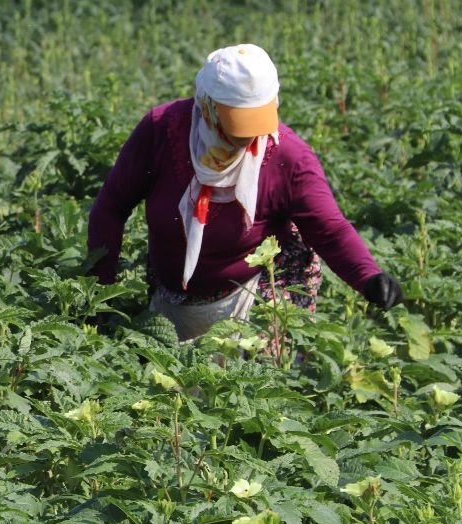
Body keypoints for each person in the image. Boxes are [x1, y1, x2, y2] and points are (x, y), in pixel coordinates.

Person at [87, 44, 402, 341]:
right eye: (238, 124)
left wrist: (369, 278)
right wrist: (99, 293)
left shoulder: (287, 156)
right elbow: (112, 206)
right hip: (176, 294)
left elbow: (328, 228)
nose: (249, 138)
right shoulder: (162, 132)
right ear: (208, 107)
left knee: (259, 388)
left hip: (257, 291)